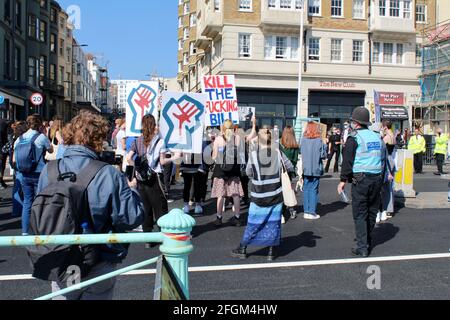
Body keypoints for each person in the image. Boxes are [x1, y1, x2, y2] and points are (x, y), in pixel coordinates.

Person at [36, 111, 143, 300]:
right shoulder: (108, 173)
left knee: (65, 295)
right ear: (97, 139)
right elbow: (130, 218)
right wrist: (131, 190)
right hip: (97, 256)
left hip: (60, 254)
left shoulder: (49, 170)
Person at [231, 125, 294, 261]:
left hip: (258, 194)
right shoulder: (277, 153)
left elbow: (248, 172)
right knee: (273, 223)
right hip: (275, 194)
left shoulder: (254, 154)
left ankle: (243, 248)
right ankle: (271, 251)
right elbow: (289, 166)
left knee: (253, 222)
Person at [338, 107, 386, 258]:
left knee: (360, 213)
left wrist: (343, 180)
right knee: (372, 212)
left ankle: (362, 247)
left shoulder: (354, 138)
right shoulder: (376, 137)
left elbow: (347, 161)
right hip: (376, 178)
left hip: (361, 179)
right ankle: (367, 240)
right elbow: (382, 158)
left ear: (356, 123)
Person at [126, 115, 180, 239]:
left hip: (141, 179)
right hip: (155, 178)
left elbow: (128, 158)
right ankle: (162, 235)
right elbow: (162, 161)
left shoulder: (137, 141)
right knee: (159, 207)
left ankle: (148, 238)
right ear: (154, 125)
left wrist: (138, 167)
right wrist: (174, 157)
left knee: (145, 207)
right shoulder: (159, 141)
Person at [12, 114, 53, 235]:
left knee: (27, 202)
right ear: (39, 124)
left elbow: (14, 160)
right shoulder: (41, 137)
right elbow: (50, 150)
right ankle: (41, 230)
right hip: (39, 173)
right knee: (41, 201)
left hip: (25, 174)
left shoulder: (20, 138)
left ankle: (25, 231)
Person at [211, 119, 244, 227]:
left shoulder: (219, 139)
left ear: (223, 128)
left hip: (221, 170)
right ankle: (237, 218)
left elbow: (214, 157)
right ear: (233, 128)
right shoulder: (238, 138)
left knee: (220, 195)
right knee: (235, 195)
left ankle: (219, 217)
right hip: (234, 170)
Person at [301, 122, 328, 220]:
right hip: (316, 168)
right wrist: (325, 145)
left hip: (306, 168)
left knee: (306, 189)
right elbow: (323, 155)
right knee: (313, 190)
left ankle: (306, 211)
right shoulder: (319, 140)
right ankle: (312, 212)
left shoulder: (303, 139)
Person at [280, 126, 300, 220]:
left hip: (280, 171)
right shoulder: (295, 146)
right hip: (289, 171)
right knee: (289, 190)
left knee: (280, 191)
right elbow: (295, 160)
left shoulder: (280, 144)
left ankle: (281, 212)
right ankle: (291, 209)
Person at [0, 117, 9, 189]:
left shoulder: (3, 122)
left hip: (2, 148)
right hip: (2, 149)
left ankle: (1, 180)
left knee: (2, 166)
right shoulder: (3, 122)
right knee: (2, 166)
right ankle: (1, 180)